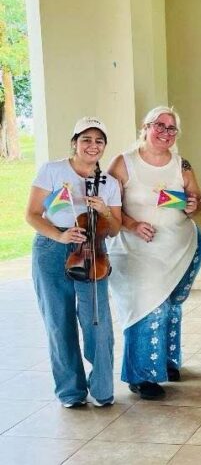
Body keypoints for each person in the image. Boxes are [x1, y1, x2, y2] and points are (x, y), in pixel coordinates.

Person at [108, 106, 201, 400]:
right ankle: (141, 376)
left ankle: (166, 362)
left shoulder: (181, 164)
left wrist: (193, 205)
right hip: (136, 249)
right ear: (145, 127)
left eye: (171, 128)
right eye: (159, 125)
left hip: (181, 248)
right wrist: (133, 225)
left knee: (170, 305)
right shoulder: (123, 163)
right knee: (147, 305)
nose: (165, 132)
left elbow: (196, 201)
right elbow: (110, 209)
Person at [26, 117, 122, 407]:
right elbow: (32, 214)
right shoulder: (52, 170)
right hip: (52, 250)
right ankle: (70, 392)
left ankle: (102, 390)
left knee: (98, 322)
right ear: (74, 142)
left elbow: (114, 229)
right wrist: (60, 235)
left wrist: (105, 211)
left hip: (93, 252)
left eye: (99, 141)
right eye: (86, 139)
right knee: (59, 321)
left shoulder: (109, 183)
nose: (93, 146)